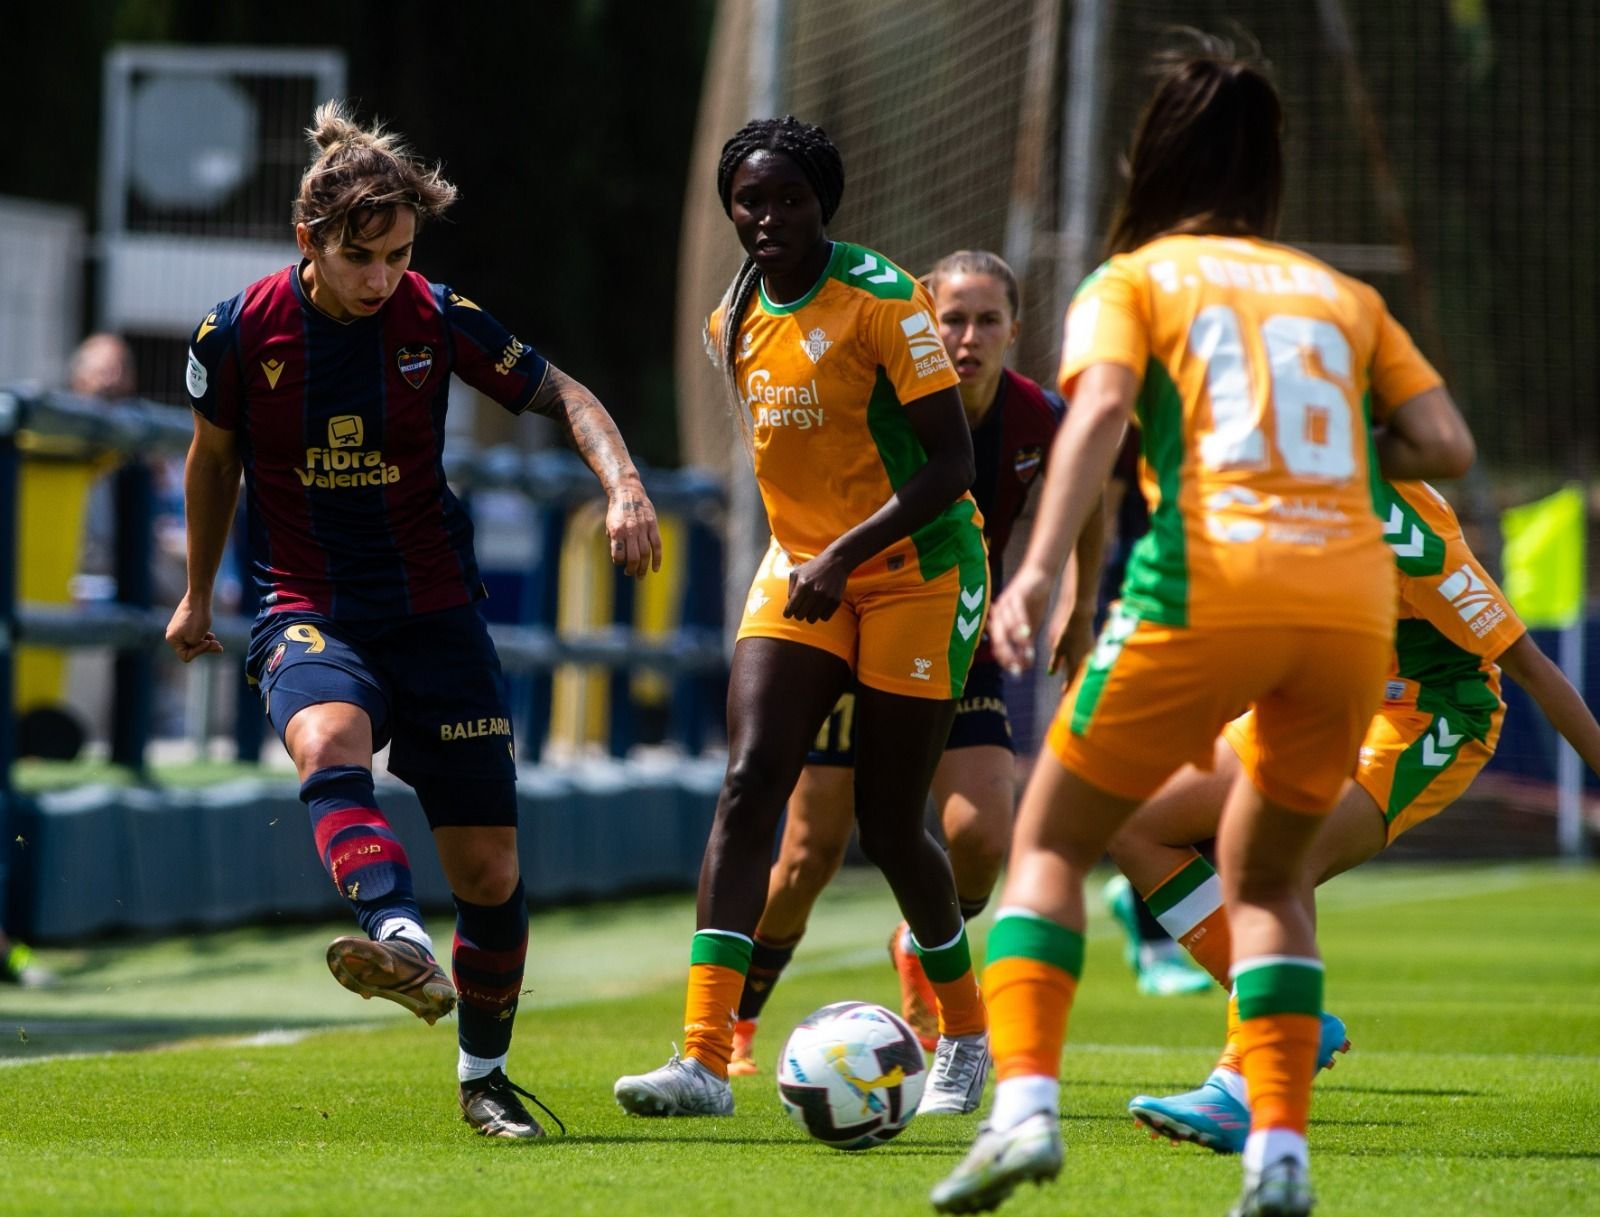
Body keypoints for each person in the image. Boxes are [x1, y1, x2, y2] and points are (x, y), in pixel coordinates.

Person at [932, 37, 1475, 1217]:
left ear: (1154, 159)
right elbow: (1444, 448)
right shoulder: (1343, 297)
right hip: (1345, 607)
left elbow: (1101, 411)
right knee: (1268, 873)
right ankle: (1278, 1154)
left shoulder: (1134, 281)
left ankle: (1021, 1111)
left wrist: (1036, 570)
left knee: (1049, 841)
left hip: (1208, 579)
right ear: (1269, 165)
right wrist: (1321, 457)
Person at [165, 101, 662, 1140]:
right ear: (309, 241)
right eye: (364, 257)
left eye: (398, 255)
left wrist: (622, 485)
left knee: (489, 872)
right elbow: (212, 460)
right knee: (328, 738)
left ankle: (483, 1076)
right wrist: (196, 591)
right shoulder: (236, 331)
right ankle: (395, 931)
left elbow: (565, 392)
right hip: (309, 605)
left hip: (437, 616)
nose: (384, 277)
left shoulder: (436, 316)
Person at [612, 117, 991, 1119]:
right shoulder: (728, 319)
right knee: (749, 783)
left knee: (886, 820)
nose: (766, 217)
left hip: (919, 571)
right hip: (801, 571)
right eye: (749, 200)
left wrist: (842, 553)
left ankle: (966, 1032)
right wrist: (811, 556)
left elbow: (953, 465)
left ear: (823, 201)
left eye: (787, 199)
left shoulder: (882, 297)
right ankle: (700, 1055)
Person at [1110, 476, 1600, 1151]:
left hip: (1431, 711)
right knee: (1136, 819)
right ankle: (1289, 1016)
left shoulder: (1408, 530)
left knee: (1277, 853)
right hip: (1324, 693)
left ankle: (1241, 1084)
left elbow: (1534, 669)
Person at [723, 251, 1088, 1115]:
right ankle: (734, 1029)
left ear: (1015, 330)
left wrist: (1077, 597)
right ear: (924, 318)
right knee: (809, 853)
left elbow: (1093, 488)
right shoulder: (878, 380)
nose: (967, 338)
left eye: (987, 321)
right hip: (847, 613)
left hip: (957, 614)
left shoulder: (1040, 415)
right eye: (952, 318)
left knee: (983, 833)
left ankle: (931, 951)